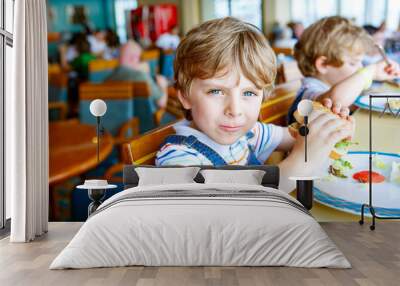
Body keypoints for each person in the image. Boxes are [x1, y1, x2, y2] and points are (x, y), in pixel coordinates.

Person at [155, 17, 354, 193]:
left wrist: (329, 130)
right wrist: (303, 161)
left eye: (248, 93)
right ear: (185, 97)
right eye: (216, 91)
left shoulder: (250, 134)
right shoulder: (177, 159)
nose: (234, 110)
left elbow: (296, 137)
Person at [287, 16, 400, 124]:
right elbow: (335, 102)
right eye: (353, 63)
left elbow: (349, 101)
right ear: (323, 64)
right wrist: (370, 72)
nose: (360, 68)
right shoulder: (309, 91)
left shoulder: (330, 86)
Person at [106, 40, 168, 109]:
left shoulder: (108, 79)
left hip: (121, 118)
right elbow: (162, 103)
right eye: (139, 58)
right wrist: (163, 85)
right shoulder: (140, 77)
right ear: (133, 58)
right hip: (144, 118)